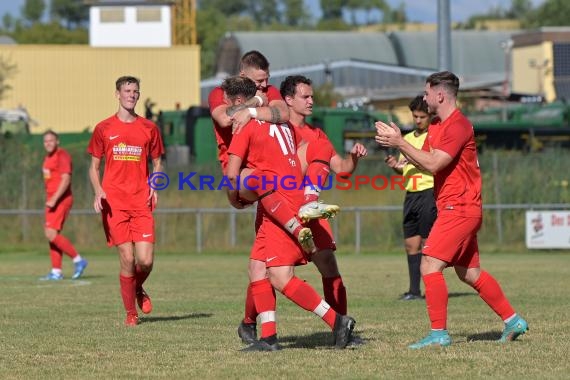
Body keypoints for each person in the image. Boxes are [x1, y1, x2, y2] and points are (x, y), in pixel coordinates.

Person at [375, 71, 528, 349]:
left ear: (440, 95)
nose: (424, 97)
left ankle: (439, 334)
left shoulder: (458, 125)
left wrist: (400, 143)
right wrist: (398, 147)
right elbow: (430, 163)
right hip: (454, 207)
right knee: (468, 273)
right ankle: (513, 320)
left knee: (429, 265)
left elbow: (433, 165)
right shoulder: (436, 126)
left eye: (427, 92)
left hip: (460, 207)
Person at [225, 76, 356, 351]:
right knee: (257, 268)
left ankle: (337, 321)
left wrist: (234, 198)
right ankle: (266, 336)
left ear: (236, 102)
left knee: (280, 277)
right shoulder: (282, 120)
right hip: (282, 199)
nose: (310, 101)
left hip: (281, 206)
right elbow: (279, 110)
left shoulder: (250, 126)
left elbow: (231, 172)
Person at [87, 76, 164, 327]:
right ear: (117, 94)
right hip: (115, 203)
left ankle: (137, 287)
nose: (131, 94)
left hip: (141, 201)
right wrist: (98, 191)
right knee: (127, 258)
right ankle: (131, 313)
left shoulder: (149, 128)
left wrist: (155, 186)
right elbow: (93, 167)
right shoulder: (103, 128)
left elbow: (157, 162)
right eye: (127, 90)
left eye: (135, 91)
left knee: (146, 260)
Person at [383, 96, 436, 301]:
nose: (418, 120)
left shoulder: (433, 137)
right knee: (411, 245)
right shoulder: (407, 139)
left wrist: (408, 162)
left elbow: (429, 164)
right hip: (411, 195)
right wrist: (397, 166)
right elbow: (406, 168)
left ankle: (432, 289)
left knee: (428, 244)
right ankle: (414, 291)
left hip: (428, 193)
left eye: (422, 116)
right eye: (415, 116)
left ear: (430, 116)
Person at [40, 130, 88, 280]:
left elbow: (66, 179)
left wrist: (54, 198)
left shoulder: (62, 155)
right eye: (45, 141)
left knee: (51, 233)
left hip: (60, 200)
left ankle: (78, 260)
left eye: (51, 140)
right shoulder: (48, 158)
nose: (48, 143)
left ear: (57, 141)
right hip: (52, 201)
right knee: (52, 235)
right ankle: (56, 272)